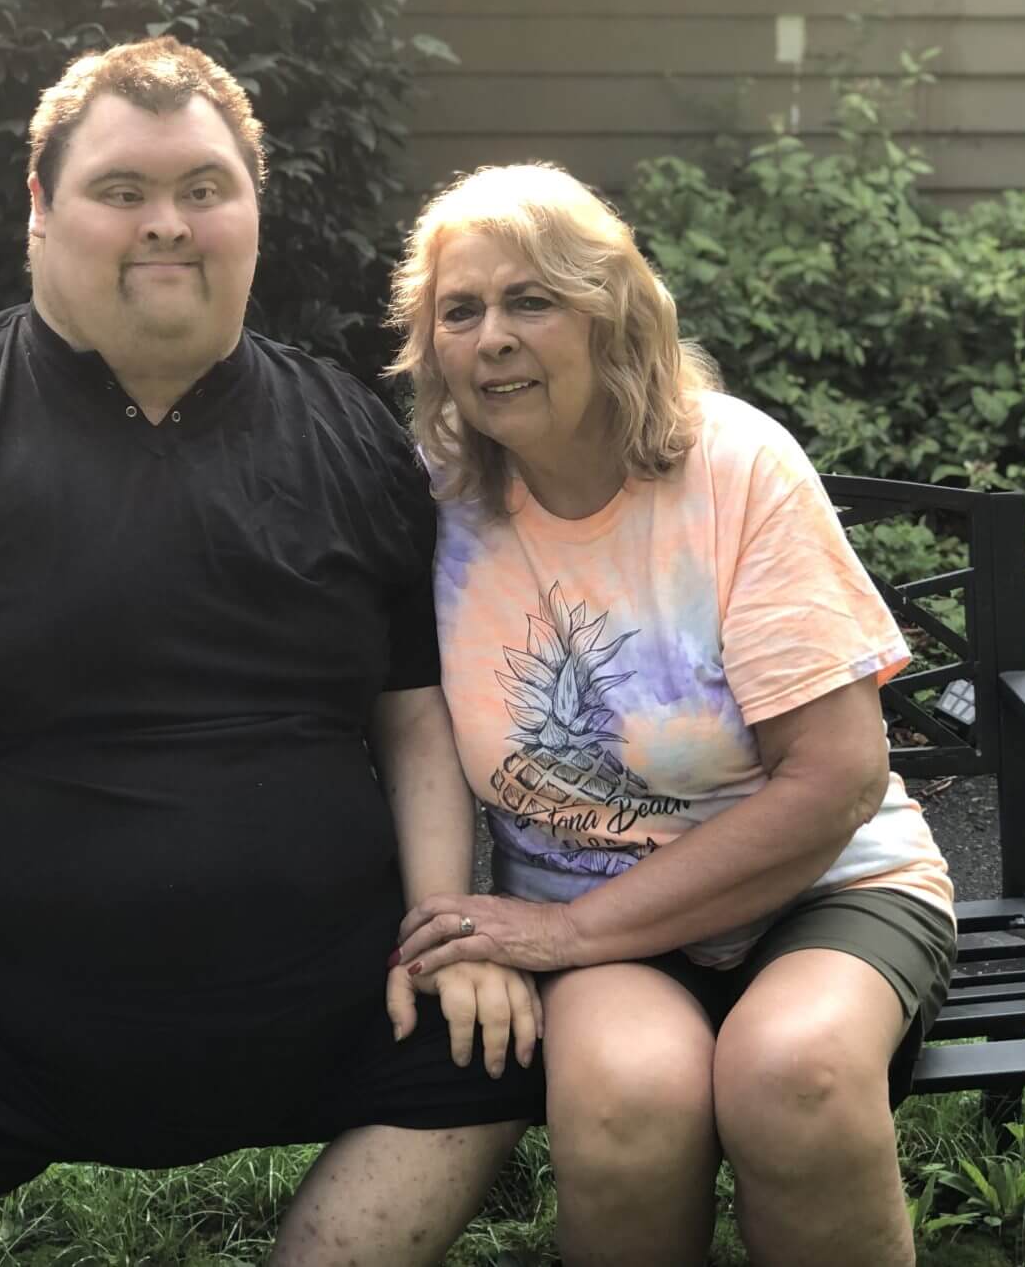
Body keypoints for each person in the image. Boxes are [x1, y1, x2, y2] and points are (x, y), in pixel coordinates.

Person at [0, 39, 544, 1267]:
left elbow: (411, 705)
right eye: (123, 191)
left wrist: (441, 915)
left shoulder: (350, 440)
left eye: (204, 189)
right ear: (41, 213)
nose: (169, 224)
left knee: (483, 1047)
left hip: (317, 987)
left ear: (252, 215)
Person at [382, 162, 958, 1267]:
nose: (492, 336)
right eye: (461, 311)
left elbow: (835, 779)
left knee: (797, 1076)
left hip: (824, 887)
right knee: (623, 1098)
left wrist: (558, 937)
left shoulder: (736, 465)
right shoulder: (432, 503)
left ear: (614, 314)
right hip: (595, 908)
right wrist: (479, 926)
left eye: (531, 300)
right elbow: (414, 735)